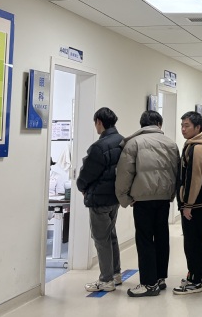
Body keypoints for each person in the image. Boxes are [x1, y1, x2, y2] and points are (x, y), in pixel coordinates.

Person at [115, 111, 179, 297]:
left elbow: (124, 173)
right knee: (162, 237)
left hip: (142, 200)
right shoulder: (171, 143)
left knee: (144, 240)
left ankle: (148, 283)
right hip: (163, 199)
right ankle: (159, 278)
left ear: (142, 124)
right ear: (159, 124)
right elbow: (177, 172)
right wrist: (171, 195)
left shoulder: (134, 143)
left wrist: (125, 198)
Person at [77, 107, 124, 293]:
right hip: (115, 198)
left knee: (101, 239)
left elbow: (87, 174)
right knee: (111, 235)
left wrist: (82, 187)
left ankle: (106, 280)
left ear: (99, 122)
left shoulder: (99, 147)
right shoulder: (122, 141)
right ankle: (116, 273)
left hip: (99, 199)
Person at [173, 111, 202, 295]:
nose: (183, 129)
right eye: (182, 125)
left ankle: (196, 280)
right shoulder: (193, 144)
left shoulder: (197, 147)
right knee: (193, 240)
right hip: (195, 203)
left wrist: (188, 204)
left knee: (193, 242)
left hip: (195, 204)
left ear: (198, 127)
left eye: (187, 126)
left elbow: (195, 178)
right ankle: (196, 275)